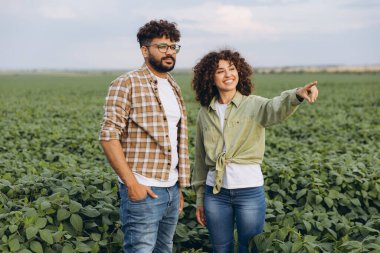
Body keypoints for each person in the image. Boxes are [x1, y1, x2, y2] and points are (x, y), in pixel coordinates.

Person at [191, 49, 318, 253]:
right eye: (220, 71)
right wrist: (199, 198)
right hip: (215, 194)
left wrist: (297, 95)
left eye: (232, 69)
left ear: (239, 72)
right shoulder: (205, 112)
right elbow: (199, 158)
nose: (228, 75)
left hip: (248, 191)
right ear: (210, 77)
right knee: (220, 248)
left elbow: (276, 107)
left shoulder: (254, 104)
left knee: (250, 248)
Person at [99, 19, 190, 253]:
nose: (169, 52)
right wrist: (132, 184)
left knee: (164, 249)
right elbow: (109, 136)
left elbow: (174, 140)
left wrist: (176, 187)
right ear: (144, 50)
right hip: (144, 188)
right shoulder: (126, 83)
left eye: (173, 47)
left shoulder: (173, 86)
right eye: (162, 46)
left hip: (170, 189)